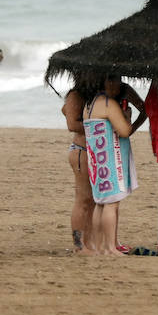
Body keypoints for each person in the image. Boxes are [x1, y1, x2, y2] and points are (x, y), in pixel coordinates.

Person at [83, 75, 139, 255]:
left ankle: (100, 246)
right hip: (109, 157)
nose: (118, 85)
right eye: (113, 80)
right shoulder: (108, 104)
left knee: (100, 202)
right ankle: (110, 247)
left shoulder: (89, 104)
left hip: (97, 160)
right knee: (112, 203)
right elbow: (124, 131)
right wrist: (128, 117)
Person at [103, 76, 147, 253]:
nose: (112, 83)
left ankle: (113, 241)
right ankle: (107, 243)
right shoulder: (99, 93)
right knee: (109, 198)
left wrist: (132, 127)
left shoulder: (125, 90)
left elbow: (145, 109)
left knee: (116, 196)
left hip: (120, 142)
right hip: (104, 144)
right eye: (110, 80)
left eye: (115, 79)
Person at [62, 85, 95, 253]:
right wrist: (99, 126)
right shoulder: (76, 94)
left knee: (92, 201)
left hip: (93, 151)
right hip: (81, 151)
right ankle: (79, 245)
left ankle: (88, 242)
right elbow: (71, 124)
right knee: (83, 199)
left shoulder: (94, 93)